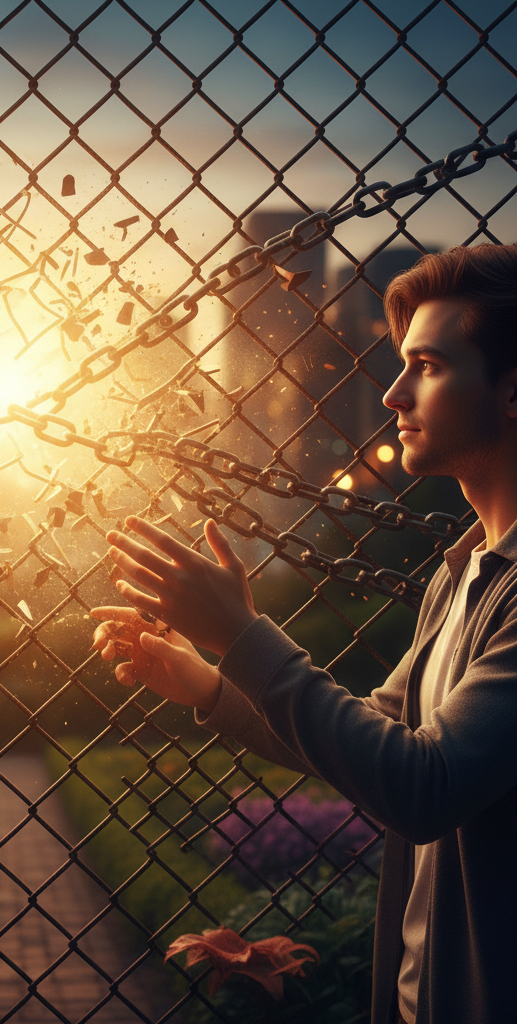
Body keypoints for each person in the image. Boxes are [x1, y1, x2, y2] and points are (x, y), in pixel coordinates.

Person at [92, 243, 517, 1024]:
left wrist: (244, 633)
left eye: (426, 365)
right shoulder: (463, 572)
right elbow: (375, 742)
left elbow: (423, 789)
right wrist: (211, 682)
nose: (392, 393)